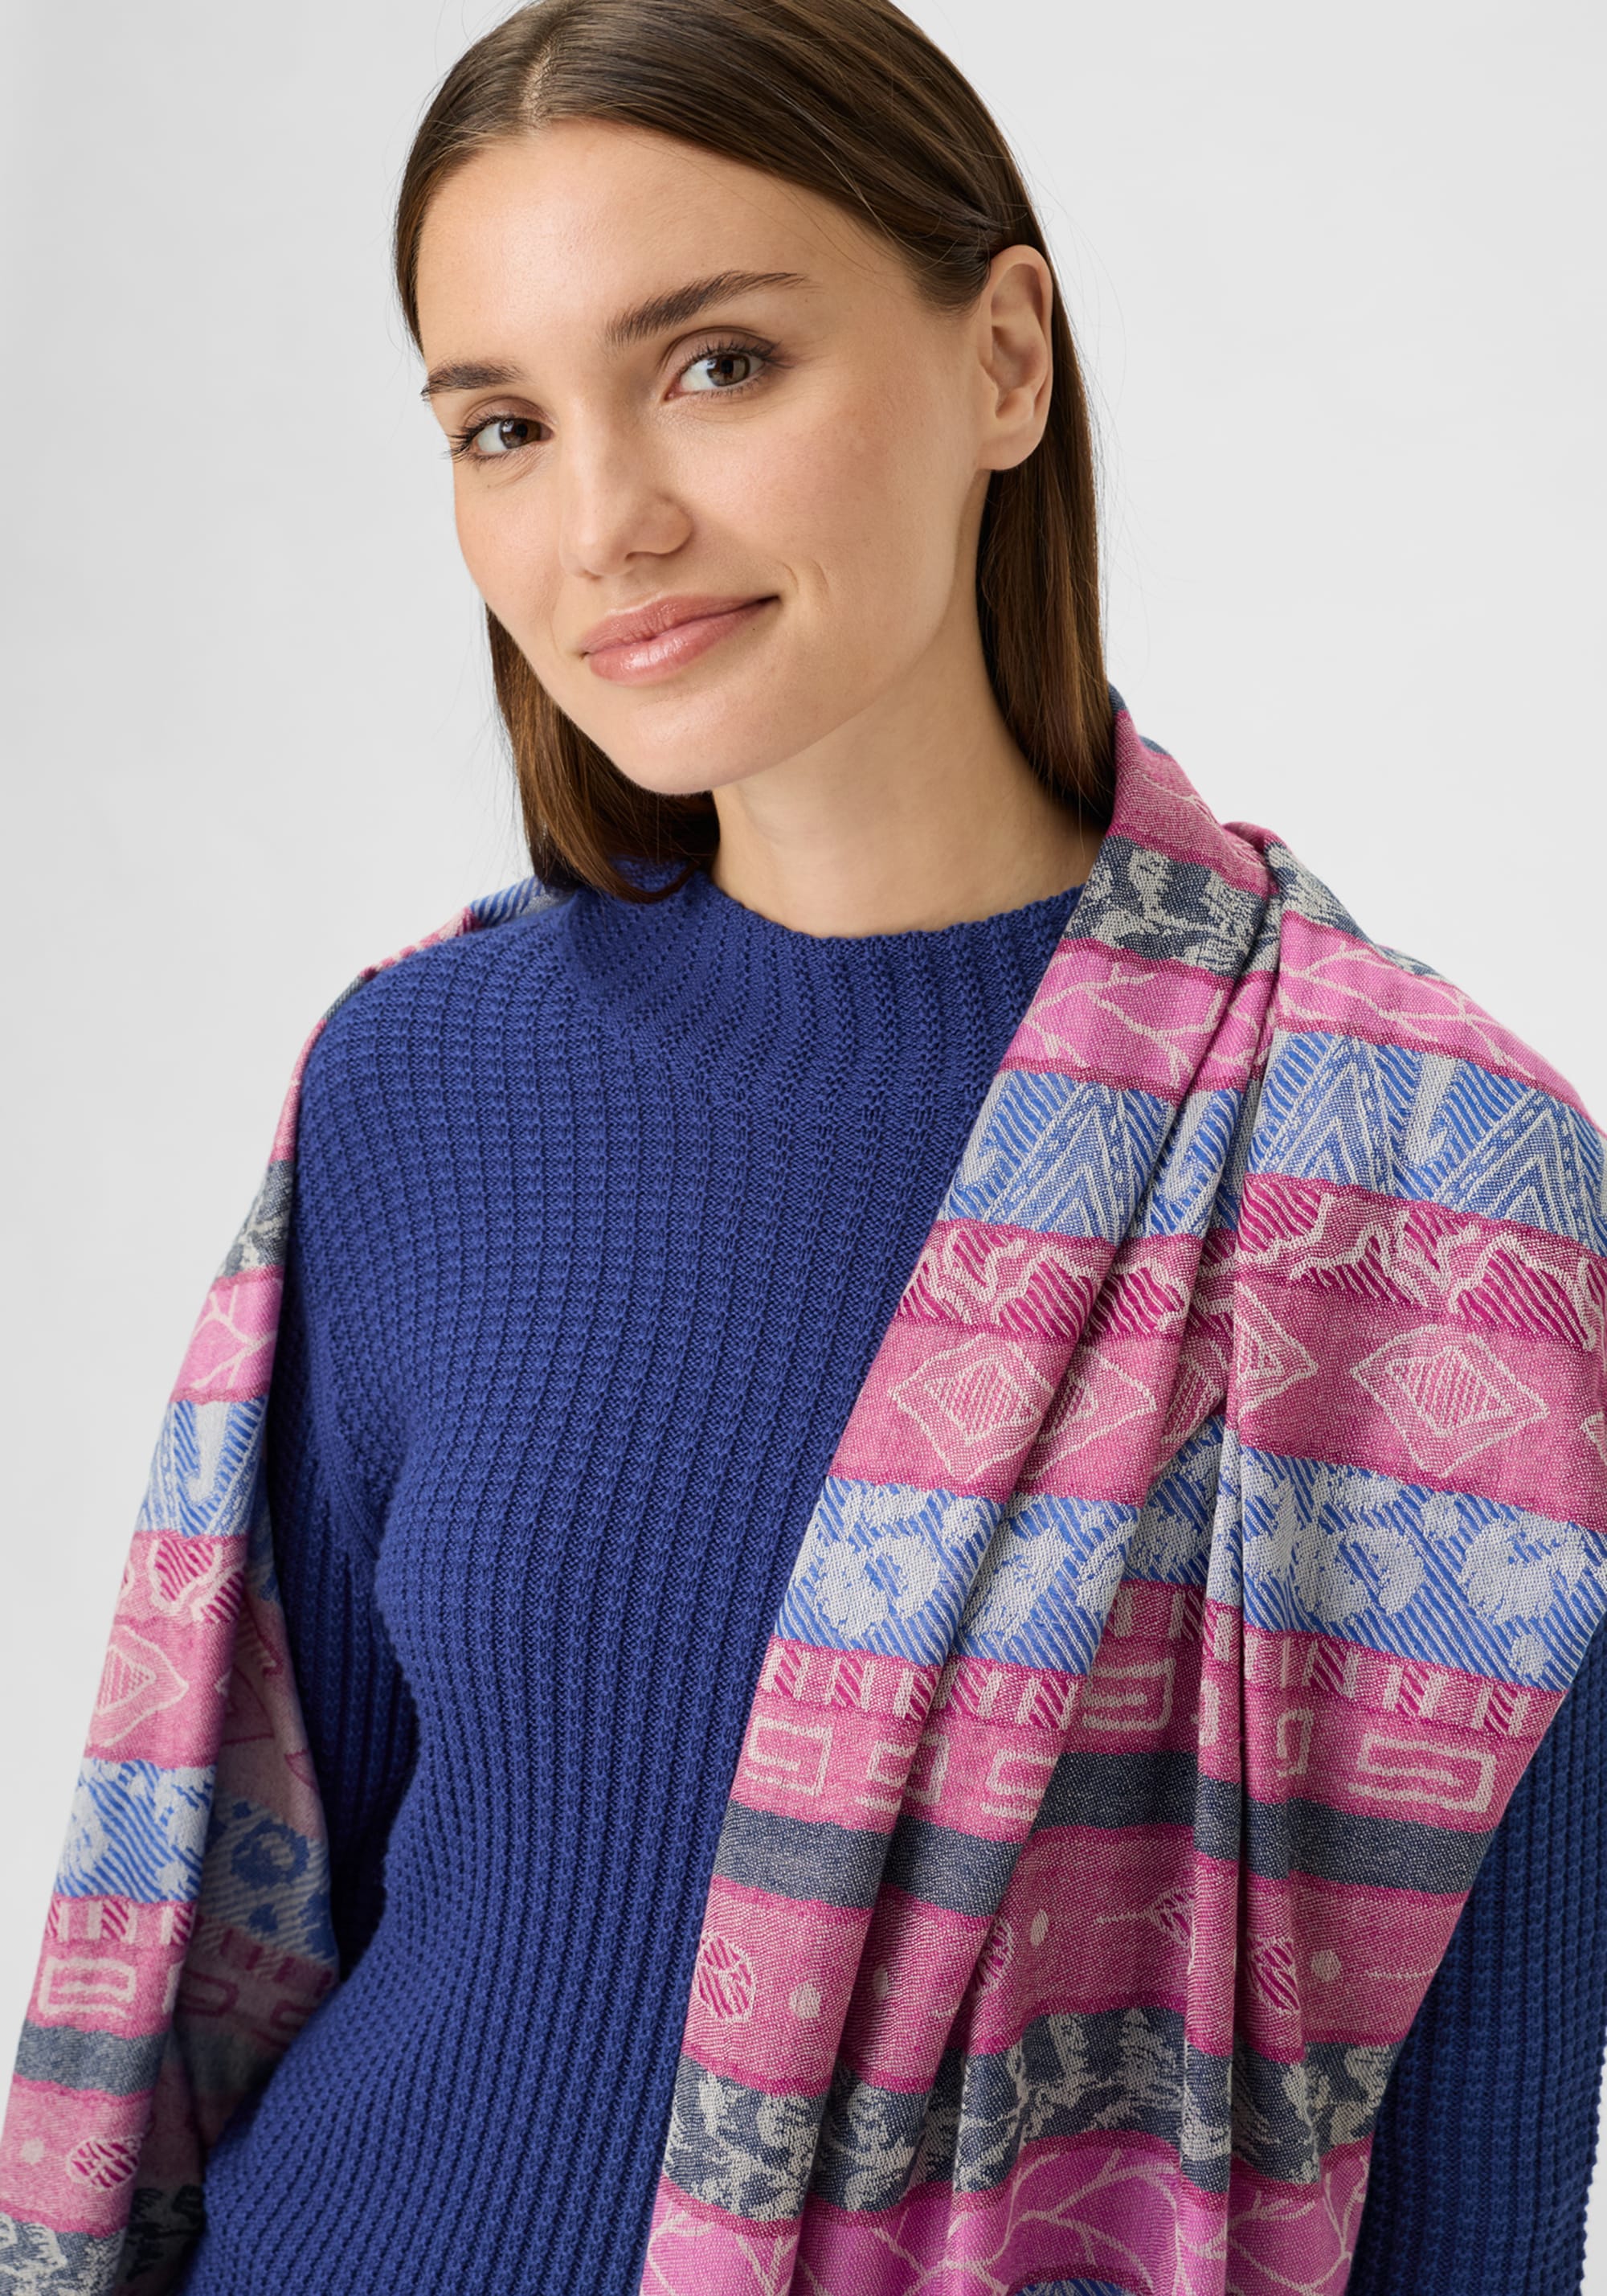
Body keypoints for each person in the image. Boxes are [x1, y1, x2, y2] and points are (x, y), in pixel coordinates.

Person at [4, 4, 1605, 2294]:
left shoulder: (1424, 1196)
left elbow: (1476, 2177)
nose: (606, 523)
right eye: (502, 426)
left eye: (719, 364)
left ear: (1004, 359)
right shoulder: (410, 1089)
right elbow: (250, 1922)